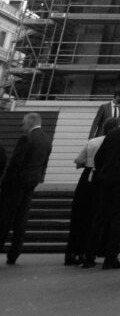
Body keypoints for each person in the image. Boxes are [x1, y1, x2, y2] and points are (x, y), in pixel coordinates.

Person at [82, 107, 120, 269]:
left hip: (106, 180)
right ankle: (110, 257)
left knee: (99, 218)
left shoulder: (112, 133)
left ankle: (89, 256)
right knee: (117, 220)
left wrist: (103, 173)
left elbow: (99, 157)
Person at [64, 115, 119, 265]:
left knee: (80, 215)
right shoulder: (114, 143)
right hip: (103, 179)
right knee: (99, 216)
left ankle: (74, 251)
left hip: (87, 177)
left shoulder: (93, 141)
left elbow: (78, 161)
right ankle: (95, 249)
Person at [0, 112, 52, 264]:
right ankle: (14, 252)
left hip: (15, 184)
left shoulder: (26, 138)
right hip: (31, 183)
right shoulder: (47, 140)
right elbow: (44, 163)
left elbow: (16, 163)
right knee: (21, 218)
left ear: (30, 123)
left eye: (23, 123)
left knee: (5, 218)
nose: (22, 126)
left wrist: (5, 184)